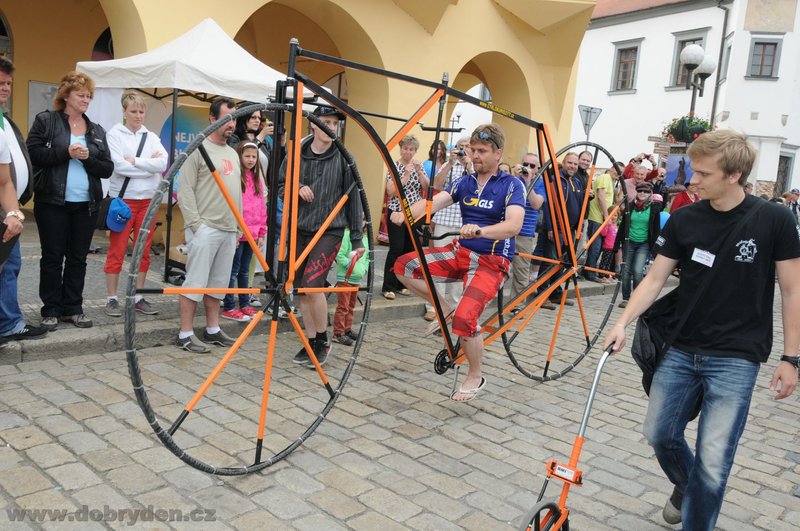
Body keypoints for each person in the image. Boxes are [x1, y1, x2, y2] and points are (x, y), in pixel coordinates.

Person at [604, 129, 800, 530]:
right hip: (680, 348)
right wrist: (622, 323)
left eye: (703, 173)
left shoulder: (775, 220)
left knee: (714, 461)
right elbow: (655, 279)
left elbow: (793, 291)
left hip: (737, 358)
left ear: (733, 175)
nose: (692, 180)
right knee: (660, 434)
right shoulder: (684, 218)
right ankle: (686, 485)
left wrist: (791, 358)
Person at [392, 124, 525, 401]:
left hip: (492, 261)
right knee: (403, 266)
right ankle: (443, 307)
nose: (475, 156)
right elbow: (433, 204)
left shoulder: (511, 185)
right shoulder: (465, 181)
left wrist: (481, 230)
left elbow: (513, 225)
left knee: (466, 319)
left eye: (482, 151)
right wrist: (405, 214)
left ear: (498, 153)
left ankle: (475, 375)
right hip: (460, 252)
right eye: (472, 150)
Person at [277, 105, 364, 368]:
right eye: (324, 122)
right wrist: (298, 187)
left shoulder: (344, 158)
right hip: (300, 228)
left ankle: (323, 340)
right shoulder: (297, 155)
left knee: (313, 284)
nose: (330, 127)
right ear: (313, 125)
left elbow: (354, 198)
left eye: (334, 123)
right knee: (302, 288)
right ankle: (311, 340)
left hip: (330, 229)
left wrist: (358, 240)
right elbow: (280, 186)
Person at [27, 71, 113, 330]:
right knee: (52, 257)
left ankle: (73, 308)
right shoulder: (46, 121)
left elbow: (107, 168)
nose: (86, 99)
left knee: (78, 258)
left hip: (86, 204)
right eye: (81, 95)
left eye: (89, 96)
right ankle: (51, 309)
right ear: (66, 95)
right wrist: (65, 152)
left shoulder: (96, 130)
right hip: (52, 201)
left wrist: (88, 158)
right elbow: (33, 153)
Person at [175, 97, 241, 353]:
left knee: (218, 283)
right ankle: (185, 333)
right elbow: (185, 190)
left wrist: (237, 228)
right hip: (205, 228)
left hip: (228, 229)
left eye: (234, 119)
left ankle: (212, 329)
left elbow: (237, 193)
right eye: (226, 119)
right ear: (212, 119)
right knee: (195, 282)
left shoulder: (232, 153)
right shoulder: (197, 148)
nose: (231, 125)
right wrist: (196, 225)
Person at [103, 91, 168, 317]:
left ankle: (138, 296)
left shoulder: (149, 136)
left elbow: (162, 163)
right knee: (117, 249)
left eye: (141, 111)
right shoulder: (114, 134)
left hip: (148, 200)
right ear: (124, 112)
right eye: (133, 111)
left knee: (144, 251)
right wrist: (148, 168)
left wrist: (138, 162)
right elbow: (119, 166)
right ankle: (112, 298)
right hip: (124, 200)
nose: (138, 116)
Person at [0, 57, 48, 343]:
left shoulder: (4, 122)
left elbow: (4, 180)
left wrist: (14, 214)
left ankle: (8, 322)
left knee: (9, 266)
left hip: (7, 208)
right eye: (0, 83)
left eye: (8, 83)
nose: (5, 88)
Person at [422, 136, 472, 321]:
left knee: (459, 266)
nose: (463, 150)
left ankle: (452, 308)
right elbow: (436, 185)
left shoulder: (475, 168)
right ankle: (433, 306)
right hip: (444, 220)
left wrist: (468, 164)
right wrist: (450, 164)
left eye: (467, 147)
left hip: (464, 224)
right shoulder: (448, 164)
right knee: (436, 263)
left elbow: (478, 187)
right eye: (460, 147)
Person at [221, 142, 267, 322]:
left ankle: (245, 303)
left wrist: (262, 232)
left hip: (253, 233)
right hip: (239, 231)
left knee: (245, 271)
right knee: (233, 269)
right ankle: (229, 305)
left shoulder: (257, 179)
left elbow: (262, 207)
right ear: (239, 156)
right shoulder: (235, 177)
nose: (250, 160)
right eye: (247, 156)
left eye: (254, 157)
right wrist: (234, 231)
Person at [382, 134, 428, 300]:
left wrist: (419, 173)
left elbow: (426, 188)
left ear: (415, 150)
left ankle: (402, 284)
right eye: (405, 148)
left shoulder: (419, 165)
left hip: (414, 213)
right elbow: (390, 191)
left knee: (410, 249)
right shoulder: (394, 166)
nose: (408, 152)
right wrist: (406, 175)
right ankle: (388, 286)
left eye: (411, 149)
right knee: (396, 248)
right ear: (400, 148)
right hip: (396, 212)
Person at [537, 151, 585, 308]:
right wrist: (550, 226)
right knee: (550, 261)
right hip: (556, 228)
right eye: (570, 163)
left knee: (563, 263)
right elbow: (548, 205)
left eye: (575, 164)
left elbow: (579, 206)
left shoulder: (577, 182)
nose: (572, 166)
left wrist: (579, 228)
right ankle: (542, 295)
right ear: (563, 163)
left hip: (570, 230)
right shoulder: (555, 180)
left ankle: (556, 293)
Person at [618, 181, 662, 308]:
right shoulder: (630, 206)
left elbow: (656, 229)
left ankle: (637, 298)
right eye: (640, 190)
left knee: (637, 271)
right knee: (626, 271)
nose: (643, 193)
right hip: (629, 242)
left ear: (651, 194)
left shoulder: (654, 208)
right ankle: (626, 298)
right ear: (636, 192)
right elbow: (622, 226)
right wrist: (617, 244)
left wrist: (657, 248)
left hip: (644, 244)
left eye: (646, 191)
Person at [509, 153, 544, 302]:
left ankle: (516, 305)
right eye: (525, 164)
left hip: (525, 232)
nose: (528, 168)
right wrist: (514, 177)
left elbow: (536, 204)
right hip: (507, 229)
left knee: (522, 271)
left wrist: (528, 181)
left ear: (538, 169)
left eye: (532, 166)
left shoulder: (540, 183)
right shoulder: (511, 179)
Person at [583, 160, 620, 282]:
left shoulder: (612, 181)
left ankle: (589, 270)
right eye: (616, 169)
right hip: (597, 217)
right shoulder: (605, 177)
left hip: (602, 218)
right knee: (596, 246)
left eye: (620, 172)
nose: (617, 172)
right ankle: (590, 273)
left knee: (598, 247)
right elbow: (601, 196)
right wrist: (606, 215)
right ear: (611, 168)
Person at [332, 226, 368, 346]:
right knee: (343, 306)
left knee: (351, 306)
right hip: (345, 277)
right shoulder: (346, 235)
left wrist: (364, 269)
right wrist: (350, 266)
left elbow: (367, 257)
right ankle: (338, 333)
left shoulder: (365, 239)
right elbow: (339, 254)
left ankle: (346, 329)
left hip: (356, 277)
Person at [597, 206, 619, 283]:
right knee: (604, 262)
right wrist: (606, 224)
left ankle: (606, 275)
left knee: (609, 263)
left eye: (615, 215)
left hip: (613, 248)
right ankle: (601, 275)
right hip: (607, 247)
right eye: (612, 214)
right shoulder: (608, 224)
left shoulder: (615, 225)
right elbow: (603, 233)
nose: (614, 217)